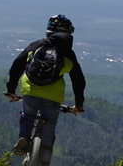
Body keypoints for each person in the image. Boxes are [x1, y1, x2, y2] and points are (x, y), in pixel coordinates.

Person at [5, 14, 86, 156]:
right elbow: (78, 81)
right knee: (47, 132)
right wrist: (78, 104)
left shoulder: (36, 45)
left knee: (27, 115)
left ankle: (23, 137)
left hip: (29, 89)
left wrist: (11, 89)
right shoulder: (68, 54)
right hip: (53, 95)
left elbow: (17, 65)